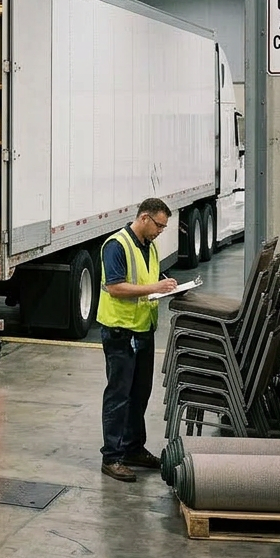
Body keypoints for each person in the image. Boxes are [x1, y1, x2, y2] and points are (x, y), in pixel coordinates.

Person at [97, 197, 178, 483]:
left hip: (143, 329)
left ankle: (133, 449)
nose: (160, 231)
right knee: (119, 395)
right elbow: (116, 287)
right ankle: (112, 457)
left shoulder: (149, 246)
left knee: (139, 393)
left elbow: (151, 276)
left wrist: (169, 285)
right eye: (158, 225)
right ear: (144, 218)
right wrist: (155, 287)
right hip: (120, 332)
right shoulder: (116, 245)